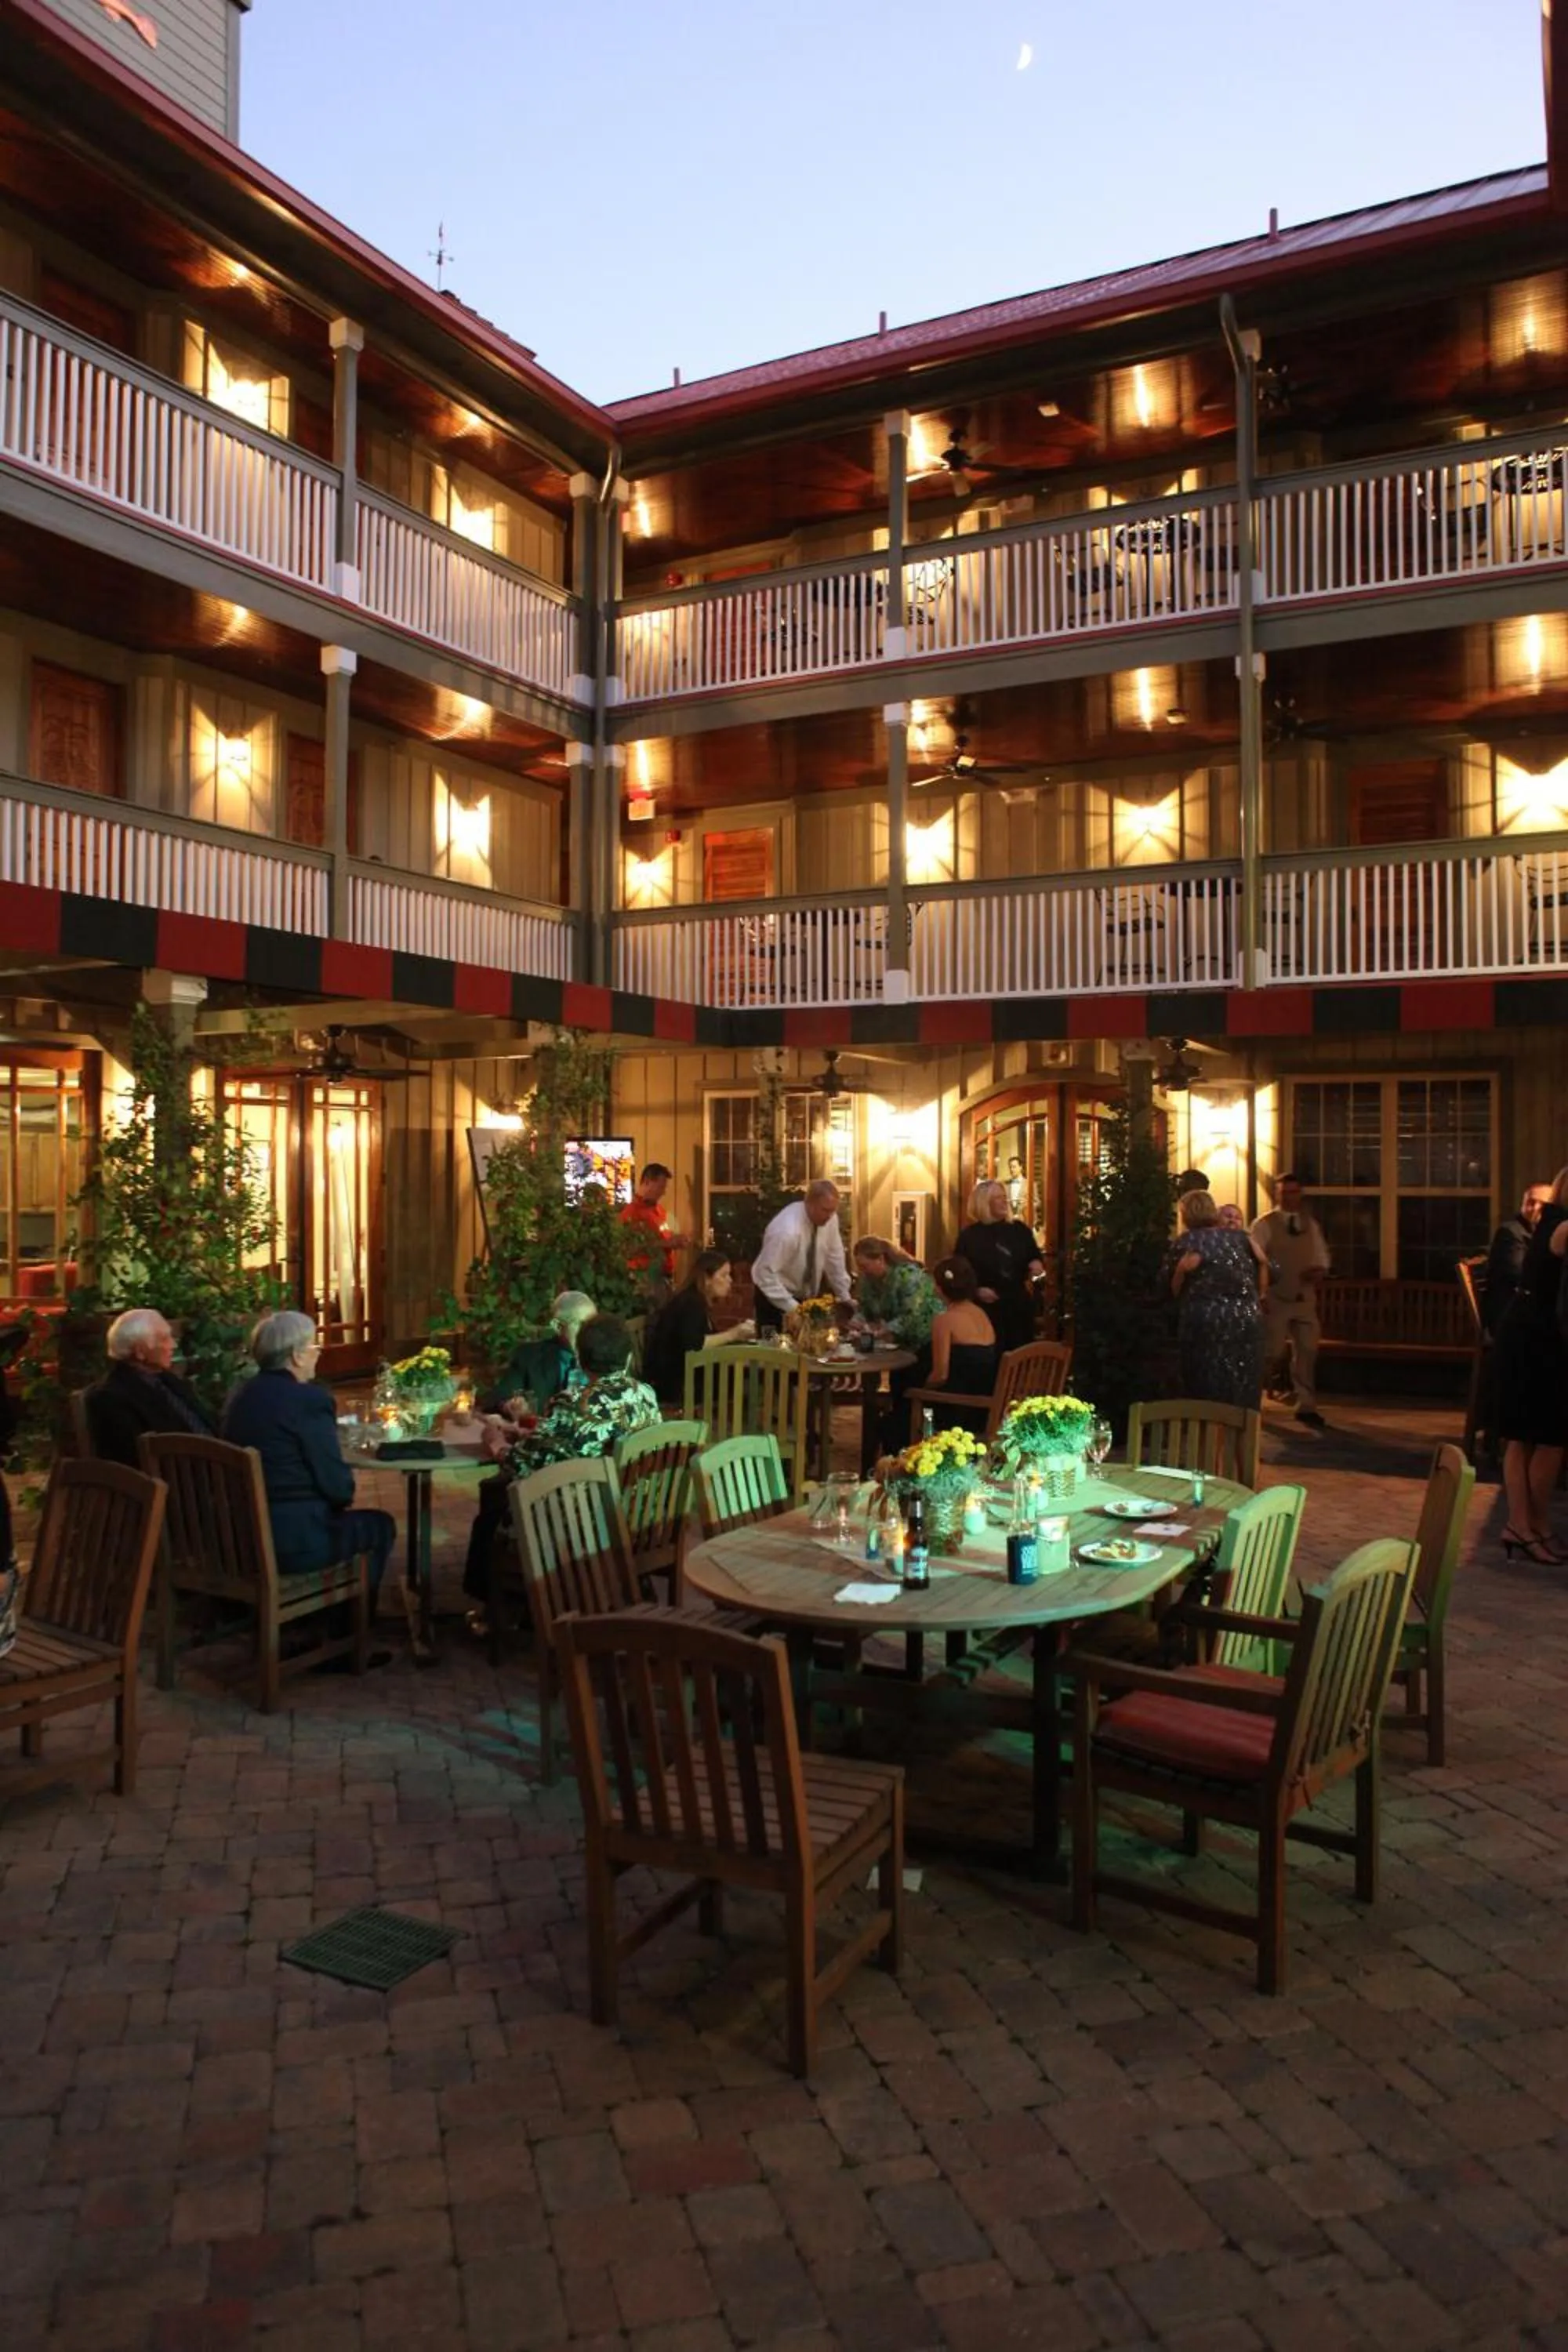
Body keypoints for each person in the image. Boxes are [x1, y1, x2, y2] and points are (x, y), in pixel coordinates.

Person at [220, 1310, 395, 1643]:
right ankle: (345, 1641)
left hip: (239, 1536)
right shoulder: (308, 1399)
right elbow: (337, 1487)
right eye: (313, 1346)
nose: (318, 1352)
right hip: (290, 1542)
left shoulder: (241, 1395)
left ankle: (310, 1620)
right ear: (296, 1355)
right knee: (379, 1527)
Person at [1492, 1164, 1568, 1563]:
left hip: (1532, 1331)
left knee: (1534, 1434)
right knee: (1542, 1434)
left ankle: (1531, 1525)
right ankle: (1524, 1525)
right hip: (1531, 1336)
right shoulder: (1563, 1227)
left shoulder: (1554, 1220)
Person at [508, 1314, 660, 1477]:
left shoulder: (571, 1403)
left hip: (592, 1501)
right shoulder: (646, 1393)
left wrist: (497, 1446)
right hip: (642, 1499)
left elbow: (525, 1466)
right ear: (629, 1358)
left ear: (579, 1360)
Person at [1171, 1190, 1269, 1409]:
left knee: (1205, 1387)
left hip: (1204, 1322)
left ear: (1185, 1215)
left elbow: (1167, 1286)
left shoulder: (1186, 1242)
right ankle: (1245, 1438)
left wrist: (1180, 1273)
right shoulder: (1243, 1239)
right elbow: (1273, 1271)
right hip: (1247, 1321)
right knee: (1244, 1385)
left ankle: (1208, 1438)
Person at [84, 1308, 216, 1466]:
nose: (173, 1345)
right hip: (184, 1481)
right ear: (140, 1351)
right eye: (164, 1339)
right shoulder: (111, 1397)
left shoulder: (166, 1379)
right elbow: (136, 1461)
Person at [1251, 1174, 1331, 1429]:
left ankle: (1306, 1405)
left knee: (1308, 1350)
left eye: (1294, 1192)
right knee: (1270, 1352)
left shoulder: (1310, 1224)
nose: (1290, 1197)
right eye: (1284, 1192)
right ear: (1277, 1194)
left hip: (1304, 1298)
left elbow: (1321, 1256)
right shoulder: (1265, 1224)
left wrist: (1319, 1271)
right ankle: (1252, 1403)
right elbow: (1255, 1260)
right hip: (1276, 1298)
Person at [853, 1236, 941, 1449]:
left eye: (865, 1265)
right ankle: (894, 1446)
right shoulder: (868, 1282)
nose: (862, 1271)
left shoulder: (907, 1276)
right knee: (898, 1395)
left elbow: (913, 1315)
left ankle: (911, 1445)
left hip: (926, 1342)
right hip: (899, 1347)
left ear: (881, 1259)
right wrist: (857, 1323)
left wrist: (884, 1330)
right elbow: (864, 1309)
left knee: (907, 1399)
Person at [643, 1252, 755, 1405]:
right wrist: (733, 1334)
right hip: (677, 1386)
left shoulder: (696, 1301)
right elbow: (694, 1345)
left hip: (686, 1377)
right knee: (743, 1384)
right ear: (707, 1279)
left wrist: (738, 1336)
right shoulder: (691, 1304)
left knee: (742, 1380)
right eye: (724, 1275)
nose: (730, 1280)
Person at [954, 1179, 1044, 1356]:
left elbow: (1034, 1256)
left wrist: (1037, 1263)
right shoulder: (969, 1237)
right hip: (986, 1308)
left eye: (1005, 1197)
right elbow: (959, 1272)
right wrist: (977, 1290)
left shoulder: (1019, 1230)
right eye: (998, 1198)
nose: (1005, 1201)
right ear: (984, 1203)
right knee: (992, 1358)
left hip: (1017, 1304)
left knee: (1020, 1357)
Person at [750, 1178, 851, 1333]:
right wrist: (794, 1308)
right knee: (776, 1351)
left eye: (833, 1211)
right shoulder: (786, 1230)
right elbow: (764, 1273)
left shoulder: (830, 1220)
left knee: (808, 1346)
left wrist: (845, 1297)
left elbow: (834, 1258)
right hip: (774, 1296)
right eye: (825, 1210)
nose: (830, 1216)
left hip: (804, 1296)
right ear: (809, 1204)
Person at [481, 1292, 595, 1415]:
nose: (590, 1332)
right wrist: (509, 1405)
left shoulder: (607, 1358)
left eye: (593, 1325)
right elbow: (497, 1398)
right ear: (558, 1326)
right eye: (581, 1324)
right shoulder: (530, 1356)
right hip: (543, 1432)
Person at [921, 1256, 1000, 1434]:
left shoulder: (944, 1320)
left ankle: (922, 1446)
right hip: (984, 1406)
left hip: (957, 1408)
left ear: (940, 1289)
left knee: (912, 1398)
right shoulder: (982, 1315)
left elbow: (940, 1374)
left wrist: (921, 1388)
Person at [1485, 1184, 1554, 1338]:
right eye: (1531, 1202)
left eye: (1542, 1204)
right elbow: (1520, 1274)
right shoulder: (1510, 1232)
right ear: (1523, 1204)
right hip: (1509, 1315)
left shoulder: (1543, 1231)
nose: (1535, 1208)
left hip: (1529, 1309)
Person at [619, 1163, 684, 1300]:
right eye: (661, 1187)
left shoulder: (660, 1211)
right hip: (645, 1279)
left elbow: (665, 1236)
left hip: (665, 1278)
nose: (663, 1192)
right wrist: (666, 1244)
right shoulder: (631, 1214)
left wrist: (677, 1240)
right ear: (647, 1182)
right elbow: (629, 1248)